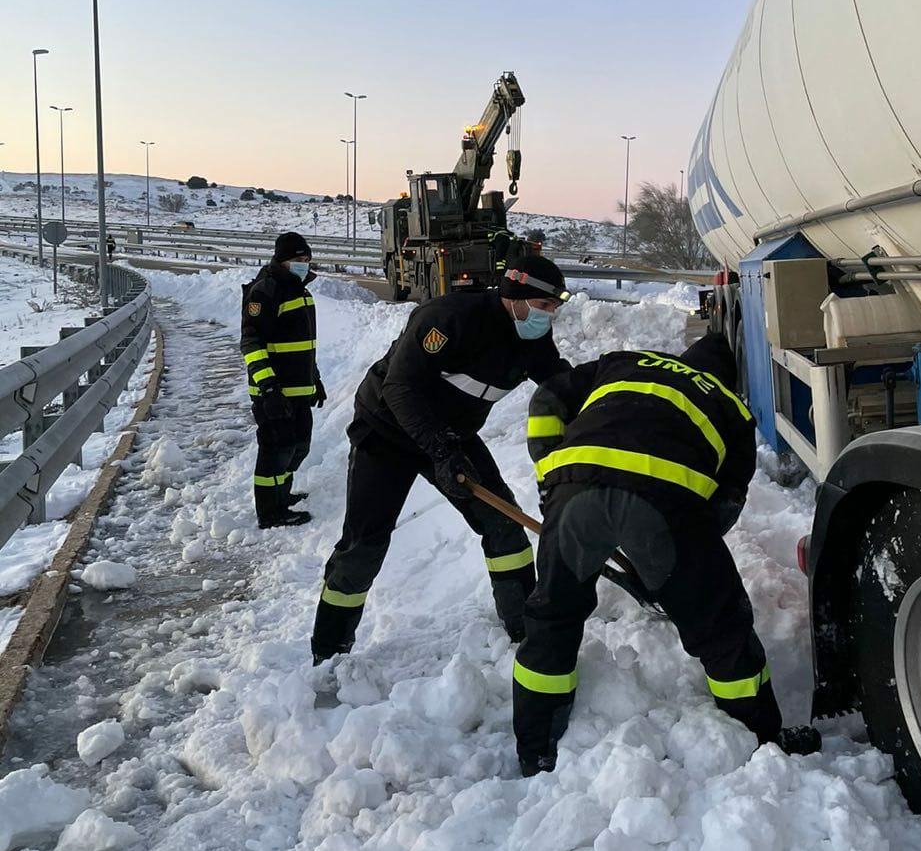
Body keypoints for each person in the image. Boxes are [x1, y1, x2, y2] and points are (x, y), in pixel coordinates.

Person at [515, 334, 821, 775]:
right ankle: (761, 743)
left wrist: (550, 476)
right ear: (724, 377)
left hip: (574, 491)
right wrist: (676, 569)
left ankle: (534, 751)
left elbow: (547, 398)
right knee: (722, 630)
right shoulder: (732, 408)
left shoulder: (621, 361)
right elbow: (724, 504)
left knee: (551, 617)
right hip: (665, 502)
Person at [310, 253, 572, 664]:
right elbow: (400, 387)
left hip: (453, 435)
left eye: (553, 310)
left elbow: (560, 383)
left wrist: (598, 406)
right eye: (542, 307)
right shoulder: (450, 317)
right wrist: (441, 452)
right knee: (364, 544)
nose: (547, 317)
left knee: (503, 526)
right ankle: (329, 651)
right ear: (515, 296)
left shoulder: (531, 337)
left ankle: (525, 630)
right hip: (387, 431)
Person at [240, 232, 326, 529]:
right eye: (298, 260)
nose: (304, 264)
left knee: (298, 446)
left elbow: (303, 347)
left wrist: (316, 379)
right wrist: (269, 387)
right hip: (274, 393)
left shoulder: (299, 291)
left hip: (299, 390)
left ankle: (282, 494)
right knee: (274, 453)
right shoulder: (265, 292)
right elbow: (251, 344)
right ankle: (269, 512)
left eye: (306, 259)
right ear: (282, 260)